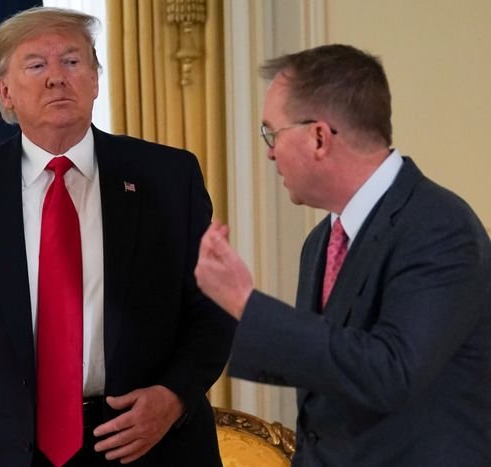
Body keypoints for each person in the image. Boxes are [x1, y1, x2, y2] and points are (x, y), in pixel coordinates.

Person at [0, 6, 236, 467]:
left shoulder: (168, 177)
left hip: (149, 444)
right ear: (5, 91)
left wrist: (174, 397)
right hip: (9, 451)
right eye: (36, 64)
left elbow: (214, 308)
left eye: (72, 62)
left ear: (95, 80)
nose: (57, 77)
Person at [195, 44, 491, 466]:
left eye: (272, 133)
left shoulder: (440, 226)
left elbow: (392, 374)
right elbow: (325, 394)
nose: (270, 152)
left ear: (318, 137)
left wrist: (246, 304)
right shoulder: (320, 242)